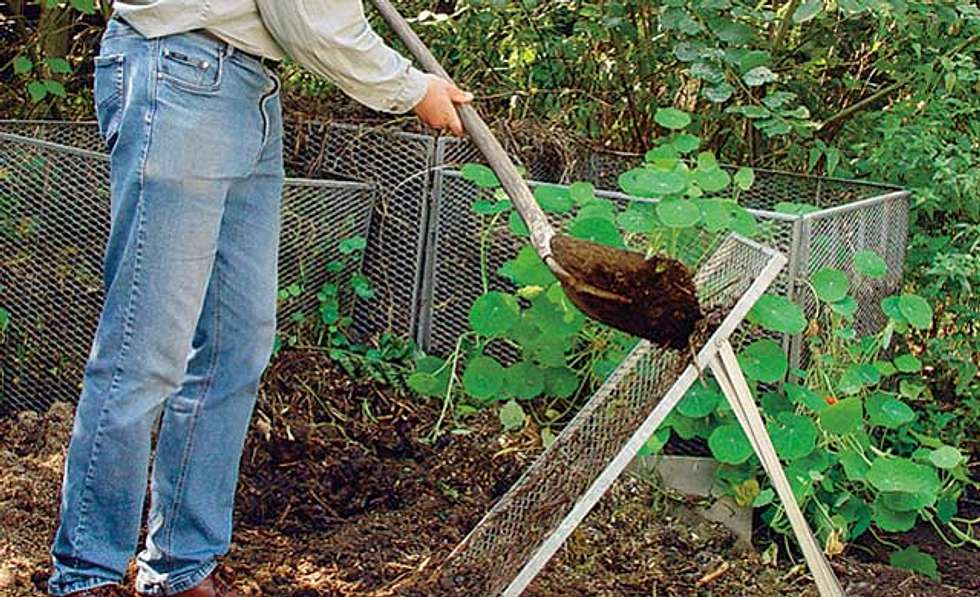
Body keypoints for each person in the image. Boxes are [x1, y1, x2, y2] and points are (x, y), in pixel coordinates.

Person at [47, 2, 472, 596]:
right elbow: (311, 18)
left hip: (246, 85)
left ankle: (180, 563)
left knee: (237, 342)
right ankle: (87, 575)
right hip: (181, 70)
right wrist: (410, 87)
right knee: (144, 352)